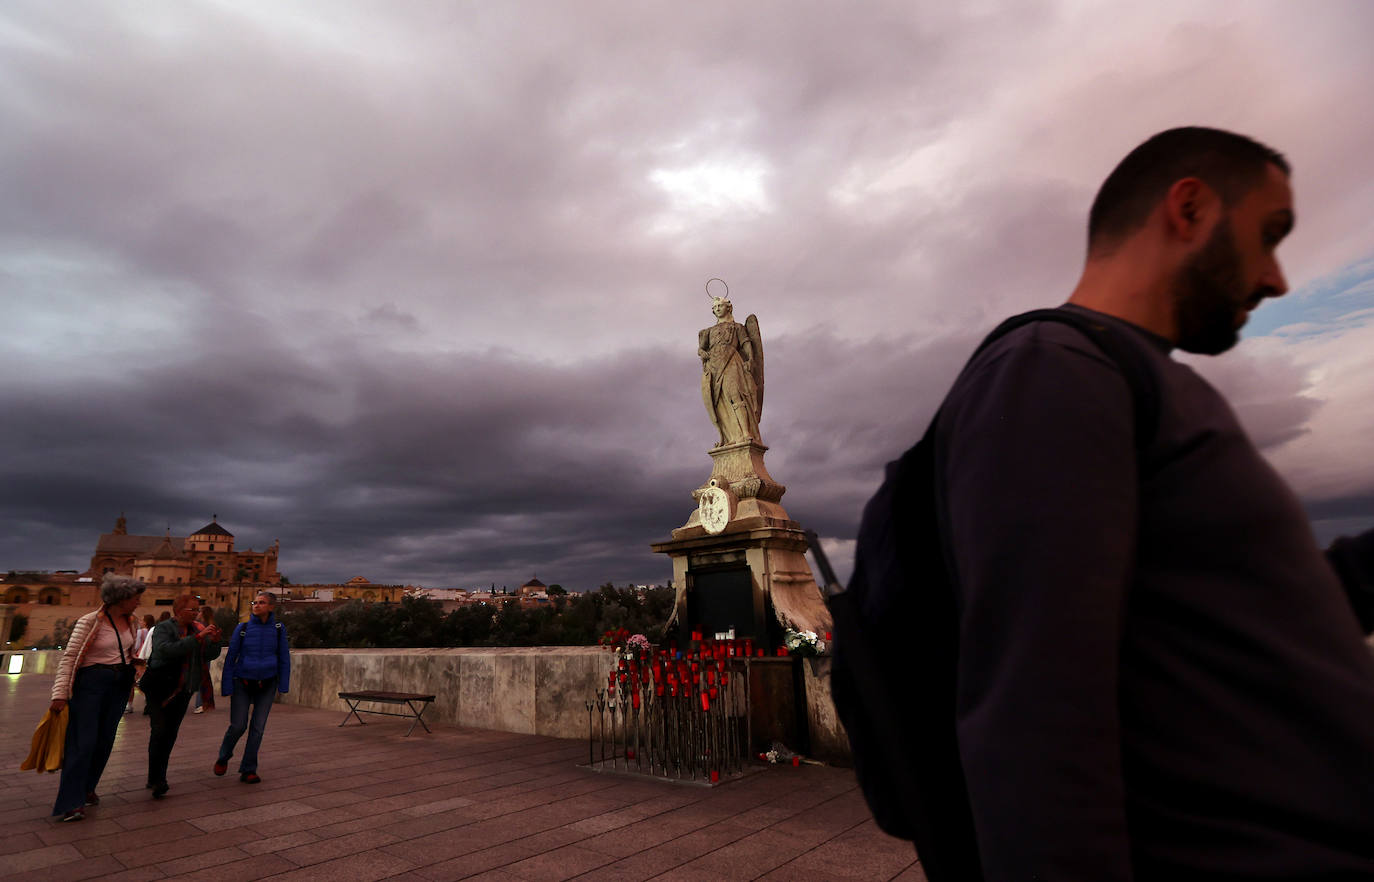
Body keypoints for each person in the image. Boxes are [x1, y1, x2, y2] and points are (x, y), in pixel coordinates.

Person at [925, 127, 1374, 877]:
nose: (1277, 278)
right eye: (1269, 236)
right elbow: (1038, 720)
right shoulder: (1052, 371)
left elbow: (1246, 622)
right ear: (1190, 208)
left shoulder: (1132, 380)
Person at [48, 573, 144, 822]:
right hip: (91, 683)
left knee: (105, 740)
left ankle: (88, 788)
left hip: (119, 684)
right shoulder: (89, 622)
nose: (138, 602)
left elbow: (128, 650)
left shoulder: (132, 621)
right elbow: (70, 657)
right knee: (83, 742)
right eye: (135, 597)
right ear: (120, 598)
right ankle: (71, 802)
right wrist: (59, 694)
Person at [143, 594, 221, 799]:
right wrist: (198, 638)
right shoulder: (164, 628)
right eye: (192, 610)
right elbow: (164, 650)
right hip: (160, 687)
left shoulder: (198, 628)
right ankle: (157, 777)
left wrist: (214, 642)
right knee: (159, 730)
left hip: (184, 688)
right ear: (179, 611)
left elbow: (209, 655)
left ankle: (158, 776)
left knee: (169, 734)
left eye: (197, 610)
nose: (196, 613)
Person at [214, 592, 291, 784]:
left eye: (262, 603)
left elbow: (284, 658)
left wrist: (283, 684)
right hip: (243, 682)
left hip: (268, 683)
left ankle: (249, 769)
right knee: (238, 725)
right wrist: (227, 686)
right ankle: (224, 756)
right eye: (254, 602)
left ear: (271, 607)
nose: (256, 605)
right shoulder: (243, 628)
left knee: (258, 729)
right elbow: (231, 658)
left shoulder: (279, 629)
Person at [698, 296, 764, 447]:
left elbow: (746, 343)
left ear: (729, 307)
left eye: (720, 306)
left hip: (731, 361)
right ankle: (730, 436)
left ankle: (746, 433)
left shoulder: (738, 328)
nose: (717, 309)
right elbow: (701, 349)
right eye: (715, 308)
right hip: (713, 365)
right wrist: (703, 353)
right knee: (719, 400)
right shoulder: (709, 331)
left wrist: (750, 359)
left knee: (734, 393)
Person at [190, 606, 217, 714]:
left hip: (201, 654)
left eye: (200, 611)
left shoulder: (202, 626)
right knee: (202, 679)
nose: (198, 613)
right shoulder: (210, 625)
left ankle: (200, 704)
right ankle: (203, 703)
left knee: (200, 679)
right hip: (205, 655)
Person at [127, 613, 155, 714]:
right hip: (149, 658)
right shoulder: (153, 630)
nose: (140, 622)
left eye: (142, 620)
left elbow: (137, 645)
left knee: (134, 682)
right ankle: (148, 701)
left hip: (140, 657)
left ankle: (129, 705)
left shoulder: (140, 632)